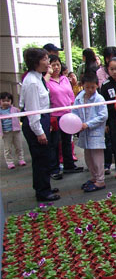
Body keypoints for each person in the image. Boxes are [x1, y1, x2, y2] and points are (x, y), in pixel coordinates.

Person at [20, 48, 60, 201]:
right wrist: (39, 132)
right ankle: (42, 192)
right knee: (40, 158)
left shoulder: (38, 78)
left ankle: (45, 186)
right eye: (45, 59)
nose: (48, 62)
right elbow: (32, 110)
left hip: (42, 119)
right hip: (35, 122)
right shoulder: (31, 82)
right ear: (36, 62)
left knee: (45, 156)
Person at [46, 55, 82, 180]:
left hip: (68, 115)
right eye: (53, 64)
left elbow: (71, 95)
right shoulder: (46, 81)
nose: (56, 67)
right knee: (54, 143)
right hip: (54, 117)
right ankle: (54, 169)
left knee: (67, 141)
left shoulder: (64, 79)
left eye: (58, 64)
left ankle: (69, 165)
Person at [72, 72, 108, 192]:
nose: (90, 90)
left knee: (97, 157)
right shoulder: (79, 97)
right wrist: (76, 123)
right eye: (87, 87)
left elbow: (103, 116)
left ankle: (100, 180)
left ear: (97, 85)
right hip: (84, 132)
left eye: (93, 87)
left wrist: (88, 124)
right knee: (88, 156)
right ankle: (94, 177)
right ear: (82, 85)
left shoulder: (99, 98)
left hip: (95, 132)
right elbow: (75, 112)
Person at [99, 57, 116, 179]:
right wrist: (106, 123)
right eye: (111, 69)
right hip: (113, 119)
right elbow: (104, 106)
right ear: (108, 70)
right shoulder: (106, 85)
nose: (114, 72)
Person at [0, 92, 25, 169]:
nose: (6, 103)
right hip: (6, 132)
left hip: (16, 131)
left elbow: (22, 113)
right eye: (3, 101)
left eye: (8, 101)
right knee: (8, 148)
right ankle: (10, 162)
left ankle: (21, 159)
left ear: (11, 101)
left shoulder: (14, 109)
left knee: (19, 146)